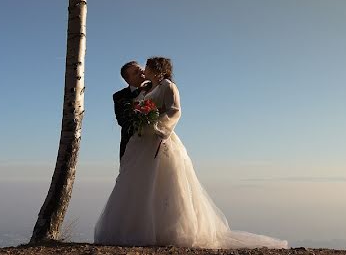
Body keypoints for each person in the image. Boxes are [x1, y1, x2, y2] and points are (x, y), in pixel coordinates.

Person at [94, 56, 288, 248]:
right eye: (137, 71)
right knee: (134, 186)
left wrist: (155, 125)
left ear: (157, 70)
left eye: (144, 68)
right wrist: (140, 121)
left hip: (158, 139)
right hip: (136, 145)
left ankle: (165, 231)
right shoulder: (130, 93)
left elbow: (174, 111)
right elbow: (124, 120)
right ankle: (133, 228)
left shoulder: (164, 86)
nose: (143, 72)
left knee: (164, 184)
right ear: (127, 79)